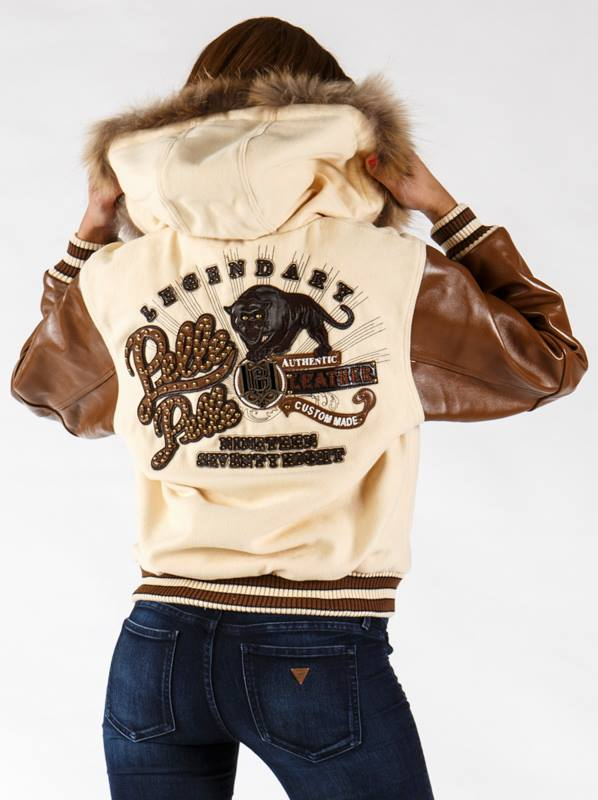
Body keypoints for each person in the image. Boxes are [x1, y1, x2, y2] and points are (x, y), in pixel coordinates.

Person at [10, 16, 588, 800]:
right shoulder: (392, 270)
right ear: (341, 120)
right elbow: (550, 360)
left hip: (157, 649)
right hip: (317, 646)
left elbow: (48, 389)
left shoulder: (123, 274)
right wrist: (445, 210)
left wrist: (88, 239)